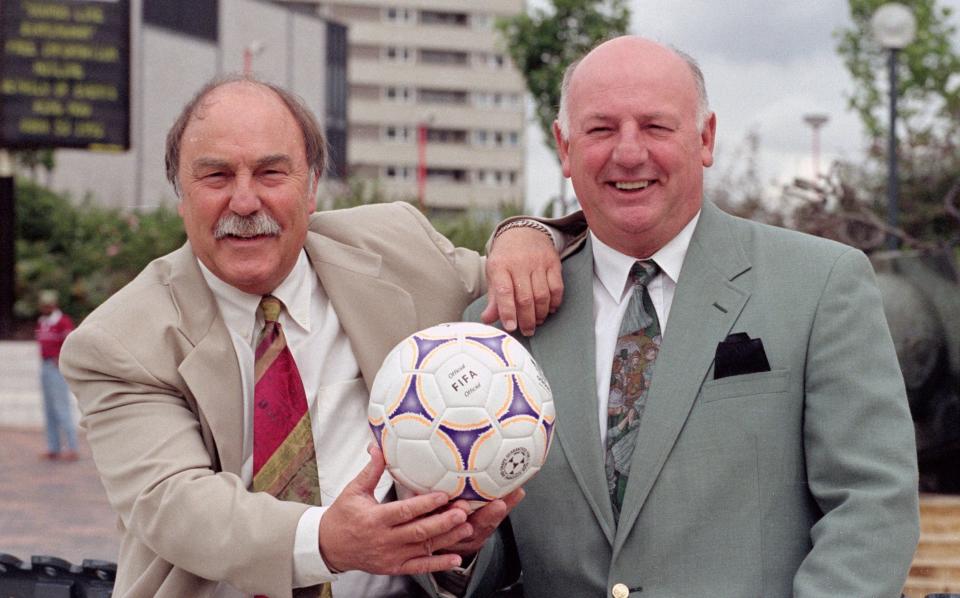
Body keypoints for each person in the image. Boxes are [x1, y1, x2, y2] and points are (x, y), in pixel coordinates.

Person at [59, 75, 581, 598]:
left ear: (311, 188)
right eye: (216, 176)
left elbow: (535, 271)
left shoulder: (400, 250)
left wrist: (528, 234)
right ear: (181, 195)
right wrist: (328, 542)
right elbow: (175, 504)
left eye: (271, 173)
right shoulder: (116, 342)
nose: (244, 201)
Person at [464, 36, 920, 597]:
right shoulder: (496, 332)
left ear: (705, 138)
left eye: (656, 126)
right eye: (602, 129)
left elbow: (872, 505)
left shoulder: (822, 287)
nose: (629, 153)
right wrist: (455, 554)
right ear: (564, 146)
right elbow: (488, 554)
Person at [35, 289, 78, 461]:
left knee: (62, 407)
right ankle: (53, 447)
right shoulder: (42, 322)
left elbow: (71, 343)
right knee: (49, 409)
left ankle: (72, 447)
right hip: (45, 366)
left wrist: (61, 358)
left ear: (54, 305)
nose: (45, 308)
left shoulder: (63, 321)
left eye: (48, 305)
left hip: (56, 367)